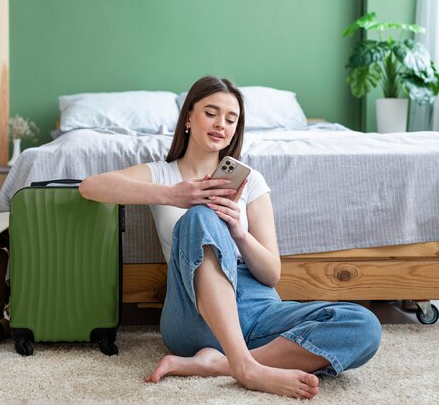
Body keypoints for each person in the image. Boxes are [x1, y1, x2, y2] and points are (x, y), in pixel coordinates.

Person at [80, 76, 382, 400]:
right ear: (188, 118)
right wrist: (174, 195)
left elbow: (271, 274)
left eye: (231, 118)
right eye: (211, 113)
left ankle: (219, 363)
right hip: (194, 310)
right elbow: (90, 187)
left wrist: (239, 231)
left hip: (256, 307)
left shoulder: (250, 181)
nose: (220, 124)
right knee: (200, 215)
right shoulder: (161, 174)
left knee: (363, 325)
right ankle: (245, 368)